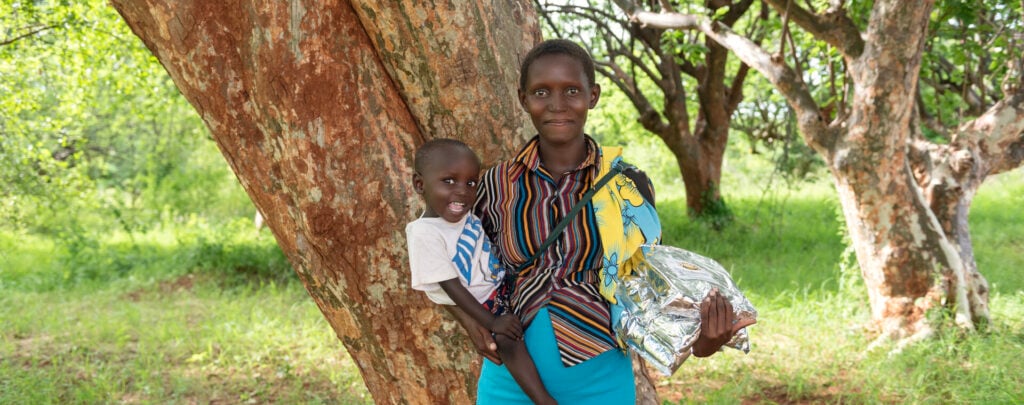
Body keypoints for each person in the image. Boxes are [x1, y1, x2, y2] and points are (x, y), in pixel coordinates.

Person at [443, 39, 756, 403]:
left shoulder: (627, 185)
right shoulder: (493, 185)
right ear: (523, 99)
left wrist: (705, 342)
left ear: (593, 96)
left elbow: (648, 286)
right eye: (542, 92)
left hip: (601, 385)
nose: (557, 104)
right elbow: (437, 255)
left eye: (572, 90)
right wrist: (470, 321)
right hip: (508, 385)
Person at [406, 139, 559, 405]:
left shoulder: (465, 215)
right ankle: (543, 399)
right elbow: (450, 286)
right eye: (449, 181)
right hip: (484, 304)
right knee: (506, 341)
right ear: (420, 184)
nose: (462, 191)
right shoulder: (424, 232)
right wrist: (491, 322)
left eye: (471, 183)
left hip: (502, 287)